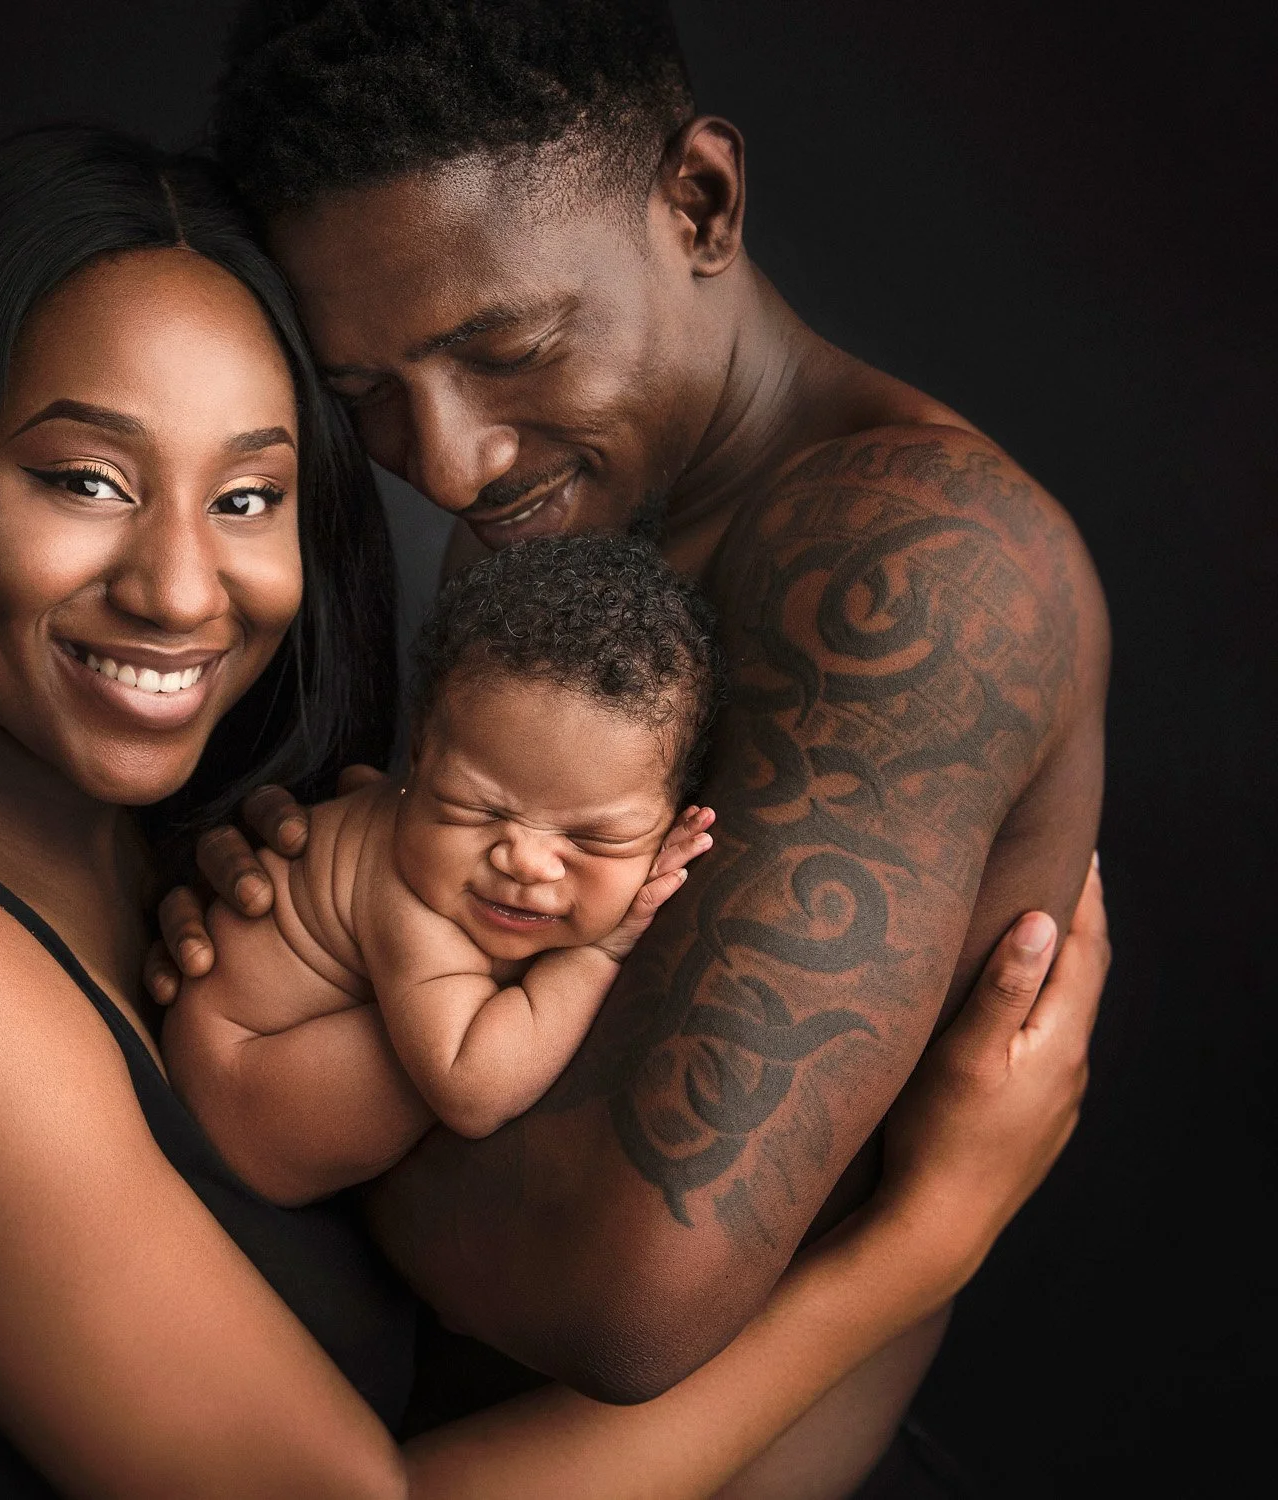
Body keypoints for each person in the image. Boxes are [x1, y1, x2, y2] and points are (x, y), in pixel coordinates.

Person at [0, 124, 1106, 1497]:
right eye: (84, 480)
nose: (177, 589)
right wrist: (918, 1246)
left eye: (248, 498)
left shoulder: (133, 826)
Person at [150, 0, 1112, 1482]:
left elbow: (617, 1295)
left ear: (700, 203)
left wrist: (264, 1085)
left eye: (510, 348)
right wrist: (336, 914)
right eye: (367, 403)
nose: (452, 463)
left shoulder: (923, 565)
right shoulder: (556, 533)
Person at [166, 535, 722, 1202]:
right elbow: (472, 1090)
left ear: (673, 820)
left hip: (252, 1051)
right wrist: (599, 951)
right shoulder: (410, 898)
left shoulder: (442, 851)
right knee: (458, 1056)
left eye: (594, 839)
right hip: (243, 1096)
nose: (524, 860)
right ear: (418, 761)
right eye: (474, 807)